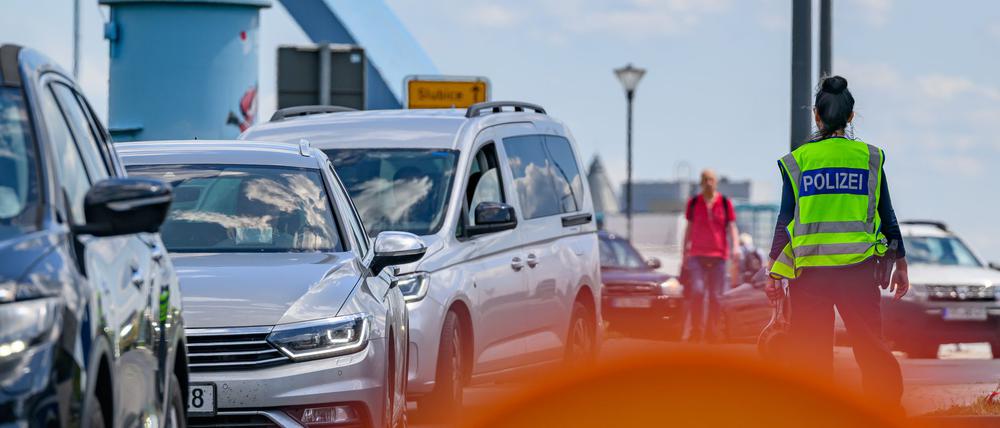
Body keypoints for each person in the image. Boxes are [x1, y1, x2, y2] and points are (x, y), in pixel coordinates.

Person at [765, 75, 910, 413]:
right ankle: (886, 413)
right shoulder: (869, 157)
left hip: (809, 274)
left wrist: (773, 271)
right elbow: (886, 213)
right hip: (858, 271)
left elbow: (785, 219)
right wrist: (901, 262)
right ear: (850, 116)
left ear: (816, 115)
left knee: (810, 354)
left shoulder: (799, 160)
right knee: (871, 346)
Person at [682, 169, 740, 343]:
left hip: (719, 256)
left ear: (716, 182)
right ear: (701, 182)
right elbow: (688, 228)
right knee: (698, 291)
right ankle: (695, 331)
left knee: (716, 296)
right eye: (705, 179)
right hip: (697, 254)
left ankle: (712, 333)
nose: (708, 183)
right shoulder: (693, 203)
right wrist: (684, 252)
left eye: (711, 179)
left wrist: (736, 247)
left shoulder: (725, 203)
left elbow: (732, 227)